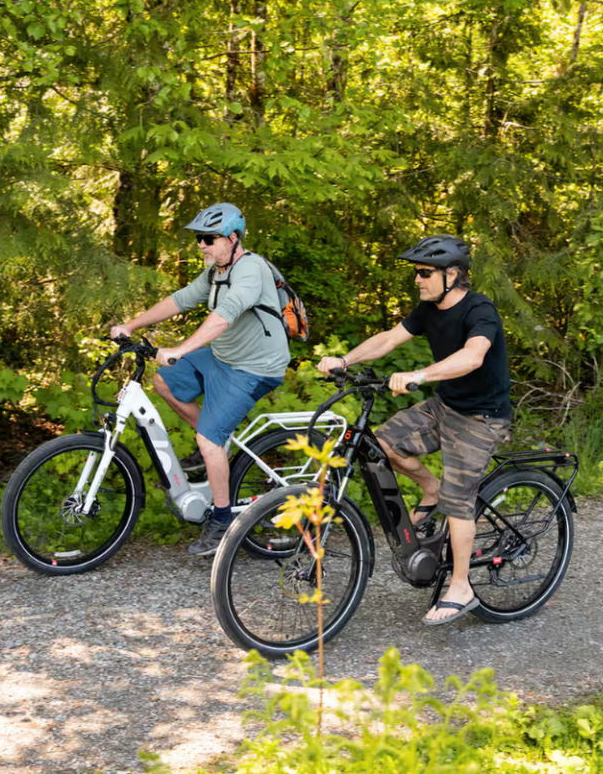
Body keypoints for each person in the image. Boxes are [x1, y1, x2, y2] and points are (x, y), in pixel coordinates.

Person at [317, 235, 512, 626]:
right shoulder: (428, 308)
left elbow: (473, 357)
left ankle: (461, 587)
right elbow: (390, 338)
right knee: (382, 446)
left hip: (480, 417)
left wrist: (420, 375)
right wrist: (345, 358)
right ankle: (430, 488)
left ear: (452, 275)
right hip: (446, 406)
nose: (418, 281)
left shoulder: (480, 310)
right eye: (417, 274)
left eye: (425, 273)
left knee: (459, 500)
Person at [110, 203, 290, 556]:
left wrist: (181, 347)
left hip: (255, 368)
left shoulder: (251, 269)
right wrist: (131, 325)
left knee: (207, 439)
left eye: (208, 238)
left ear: (232, 239)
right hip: (222, 358)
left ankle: (222, 520)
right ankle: (217, 441)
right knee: (165, 381)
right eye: (198, 239)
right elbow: (180, 300)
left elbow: (226, 315)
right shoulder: (216, 272)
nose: (202, 245)